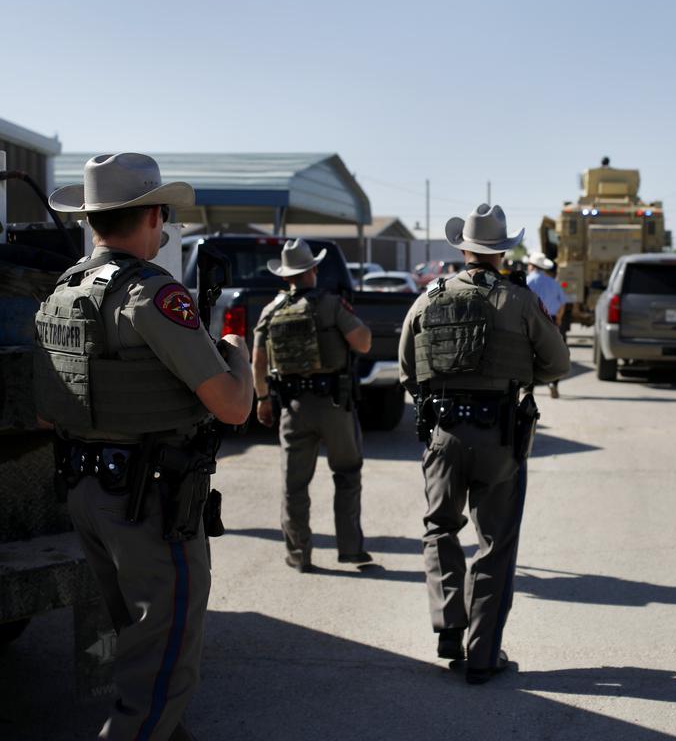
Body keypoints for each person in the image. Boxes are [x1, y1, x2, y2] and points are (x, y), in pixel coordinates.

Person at [35, 153, 253, 741]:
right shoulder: (155, 295)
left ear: (92, 220)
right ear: (153, 215)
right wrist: (237, 350)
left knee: (140, 648)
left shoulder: (65, 289)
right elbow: (233, 406)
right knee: (161, 670)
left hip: (87, 490)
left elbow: (46, 407)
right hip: (147, 503)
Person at [399, 203, 570, 684]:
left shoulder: (428, 296)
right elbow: (558, 364)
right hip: (499, 433)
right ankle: (482, 655)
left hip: (444, 432)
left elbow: (408, 371)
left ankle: (449, 622)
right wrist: (516, 375)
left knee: (439, 528)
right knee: (495, 544)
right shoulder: (519, 300)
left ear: (464, 248)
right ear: (502, 252)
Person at [252, 239, 373, 572]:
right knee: (347, 474)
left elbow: (258, 361)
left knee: (294, 485)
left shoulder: (270, 311)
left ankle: (298, 554)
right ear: (314, 270)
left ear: (285, 276)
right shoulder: (332, 304)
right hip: (334, 404)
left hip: (292, 407)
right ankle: (349, 549)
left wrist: (262, 399)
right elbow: (362, 343)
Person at [526, 251, 568, 398]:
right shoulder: (553, 283)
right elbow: (562, 303)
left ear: (532, 266)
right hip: (551, 321)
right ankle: (553, 383)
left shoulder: (527, 281)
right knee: (553, 354)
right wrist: (559, 320)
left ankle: (529, 388)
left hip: (531, 322)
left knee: (529, 354)